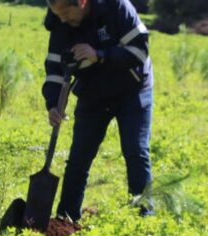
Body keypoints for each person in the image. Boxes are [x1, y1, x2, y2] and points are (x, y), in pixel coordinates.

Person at [42, 0, 154, 222]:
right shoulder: (59, 21)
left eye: (67, 13)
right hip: (92, 92)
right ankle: (65, 220)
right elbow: (55, 68)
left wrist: (100, 55)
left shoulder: (117, 7)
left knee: (136, 151)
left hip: (132, 89)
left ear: (82, 2)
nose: (63, 19)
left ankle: (144, 218)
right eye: (58, 14)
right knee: (79, 158)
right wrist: (53, 103)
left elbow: (140, 51)